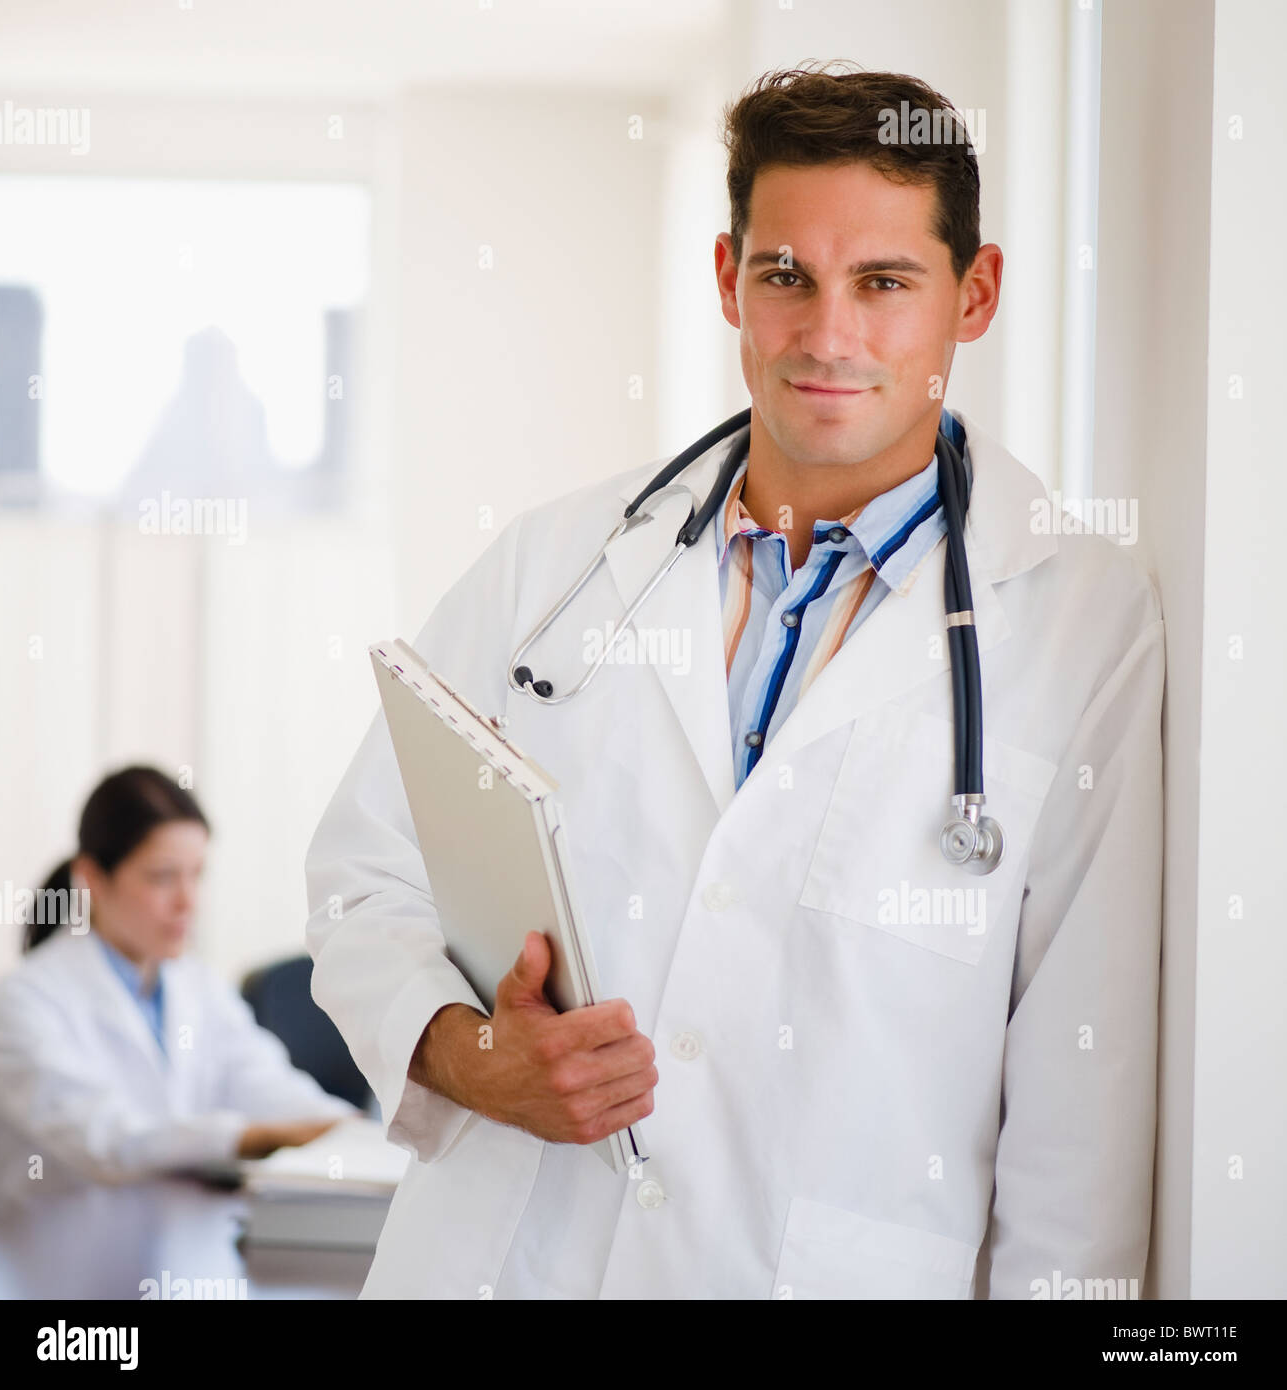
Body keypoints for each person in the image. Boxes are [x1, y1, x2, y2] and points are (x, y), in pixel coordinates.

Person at [305, 65, 1165, 1299]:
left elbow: (1079, 1124)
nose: (827, 335)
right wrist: (466, 1052)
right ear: (727, 278)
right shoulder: (557, 562)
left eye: (882, 283)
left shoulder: (1077, 622)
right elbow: (360, 877)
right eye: (785, 278)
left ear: (971, 296)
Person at [0, 765, 357, 1223]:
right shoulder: (24, 1001)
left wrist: (356, 1135)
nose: (187, 902)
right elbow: (105, 1141)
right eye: (162, 877)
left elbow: (267, 1084)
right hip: (50, 1276)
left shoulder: (198, 988)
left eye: (196, 875)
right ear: (91, 878)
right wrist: (248, 1137)